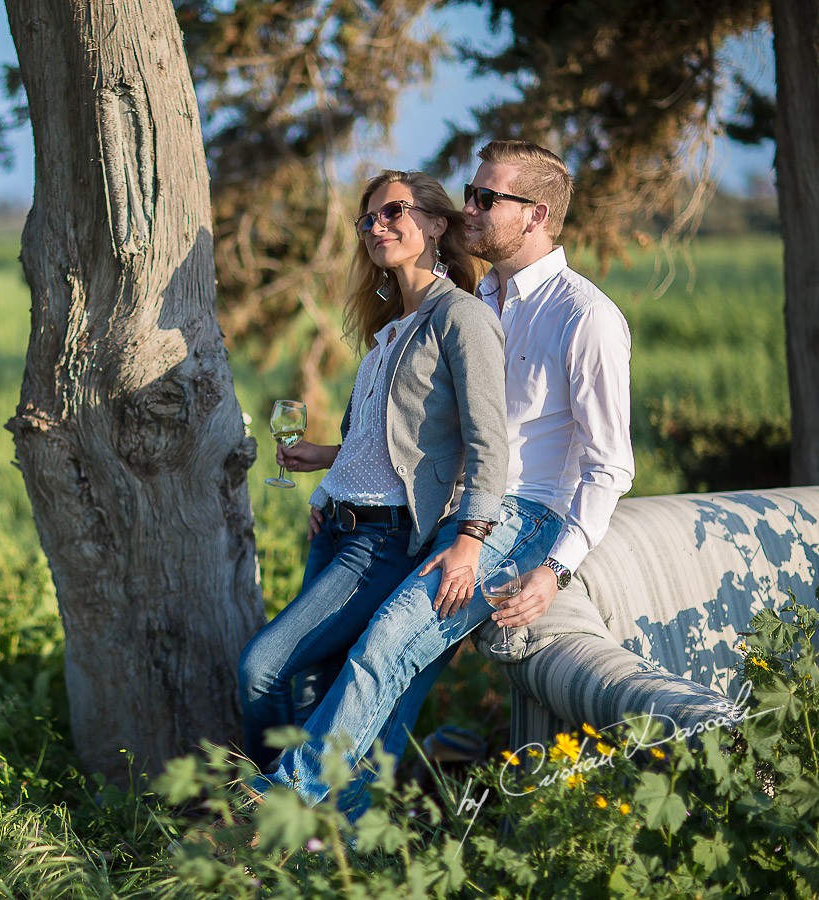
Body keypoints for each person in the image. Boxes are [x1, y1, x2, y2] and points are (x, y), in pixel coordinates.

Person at [256, 140, 635, 817]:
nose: (470, 210)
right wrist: (336, 469)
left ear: (537, 214)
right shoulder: (478, 299)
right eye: (470, 194)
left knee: (382, 647)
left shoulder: (586, 316)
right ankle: (343, 846)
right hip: (449, 515)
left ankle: (272, 812)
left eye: (487, 199)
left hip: (519, 520)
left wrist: (555, 570)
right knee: (391, 686)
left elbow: (610, 465)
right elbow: (428, 428)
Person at [237, 169, 507, 775]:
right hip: (334, 525)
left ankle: (265, 817)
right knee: (311, 682)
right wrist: (326, 465)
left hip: (382, 539)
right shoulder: (389, 328)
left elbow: (488, 438)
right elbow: (392, 441)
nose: (377, 226)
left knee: (264, 668)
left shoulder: (459, 318)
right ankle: (318, 842)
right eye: (368, 219)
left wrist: (471, 538)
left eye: (394, 212)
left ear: (437, 224)